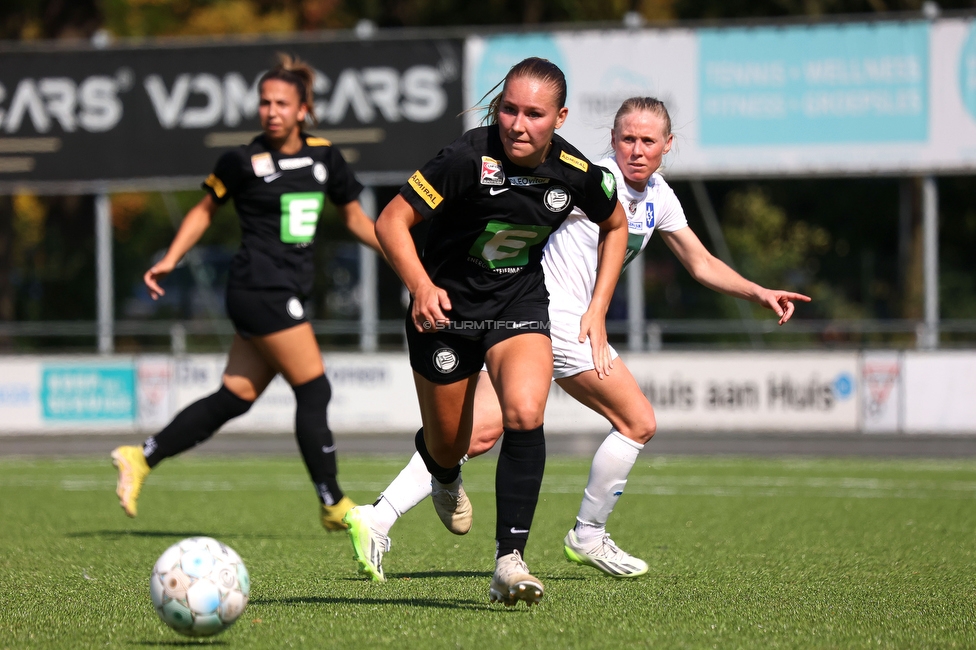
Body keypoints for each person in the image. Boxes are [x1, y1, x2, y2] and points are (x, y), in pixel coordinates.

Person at [343, 97, 811, 583]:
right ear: (612, 139)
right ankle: (586, 535)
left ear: (667, 147)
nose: (636, 149)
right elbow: (524, 214)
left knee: (478, 433)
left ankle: (379, 515)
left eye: (648, 141)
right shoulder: (591, 178)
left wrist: (758, 291)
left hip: (547, 322)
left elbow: (699, 262)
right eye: (627, 138)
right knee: (637, 421)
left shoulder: (660, 197)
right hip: (552, 318)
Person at [368, 57, 629, 607]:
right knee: (449, 444)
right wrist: (419, 284)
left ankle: (509, 560)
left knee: (525, 414)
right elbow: (391, 220)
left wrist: (598, 306)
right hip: (442, 313)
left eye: (534, 114)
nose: (517, 124)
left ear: (559, 117)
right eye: (508, 109)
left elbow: (615, 223)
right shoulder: (465, 158)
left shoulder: (575, 173)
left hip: (518, 301)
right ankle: (444, 475)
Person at [111, 54, 382, 533]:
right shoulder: (241, 160)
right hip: (260, 287)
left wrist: (402, 254)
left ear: (303, 110)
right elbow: (203, 211)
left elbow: (356, 217)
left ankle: (141, 456)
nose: (271, 111)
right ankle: (332, 501)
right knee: (314, 386)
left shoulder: (324, 157)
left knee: (235, 395)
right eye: (264, 103)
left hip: (282, 290)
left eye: (282, 103)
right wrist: (171, 258)